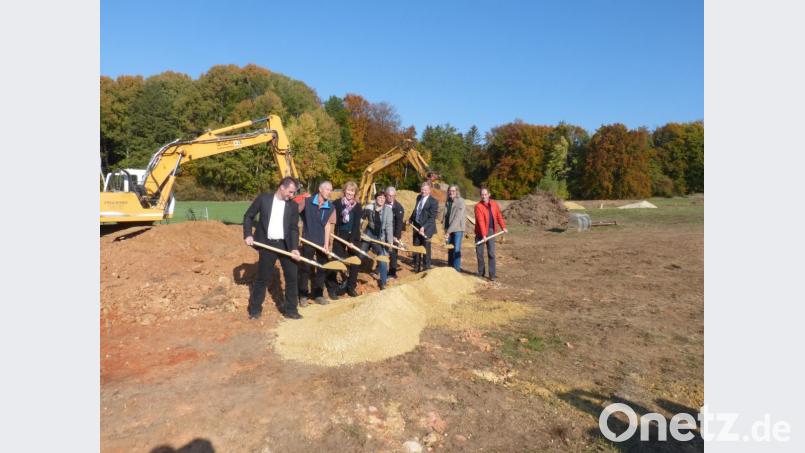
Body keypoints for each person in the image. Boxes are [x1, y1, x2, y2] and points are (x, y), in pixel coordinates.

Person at [242, 177, 302, 320]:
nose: (291, 195)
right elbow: (248, 216)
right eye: (290, 192)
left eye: (293, 193)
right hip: (267, 244)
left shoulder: (293, 206)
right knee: (263, 278)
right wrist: (248, 234)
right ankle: (255, 310)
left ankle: (291, 310)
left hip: (286, 245)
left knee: (292, 277)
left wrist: (294, 248)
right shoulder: (264, 199)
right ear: (282, 187)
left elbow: (294, 228)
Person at [297, 181, 337, 306]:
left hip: (321, 242)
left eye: (331, 190)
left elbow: (327, 226)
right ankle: (303, 295)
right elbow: (294, 211)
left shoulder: (330, 207)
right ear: (320, 189)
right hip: (308, 240)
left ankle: (318, 295)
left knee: (321, 268)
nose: (329, 192)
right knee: (305, 268)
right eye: (327, 189)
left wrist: (326, 244)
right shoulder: (308, 201)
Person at [329, 181, 362, 297]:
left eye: (352, 191)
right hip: (340, 235)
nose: (350, 193)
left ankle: (351, 287)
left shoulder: (358, 206)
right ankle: (333, 288)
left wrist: (352, 241)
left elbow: (357, 224)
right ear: (344, 190)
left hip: (354, 236)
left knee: (355, 262)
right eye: (348, 190)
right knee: (336, 260)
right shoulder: (337, 203)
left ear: (355, 193)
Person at [474, 187, 508, 281]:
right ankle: (481, 272)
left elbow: (499, 216)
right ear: (480, 195)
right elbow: (480, 221)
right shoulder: (478, 206)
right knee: (480, 253)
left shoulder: (494, 204)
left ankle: (492, 275)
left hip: (491, 231)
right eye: (482, 194)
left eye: (485, 194)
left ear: (489, 194)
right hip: (480, 232)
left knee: (491, 253)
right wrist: (484, 235)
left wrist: (503, 227)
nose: (484, 196)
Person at [361, 192, 393, 290]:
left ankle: (383, 282)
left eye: (383, 198)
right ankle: (350, 274)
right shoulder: (369, 207)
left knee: (382, 257)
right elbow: (361, 219)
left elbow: (389, 226)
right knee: (361, 253)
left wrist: (390, 241)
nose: (381, 199)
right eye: (379, 197)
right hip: (368, 234)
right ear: (376, 198)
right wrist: (359, 231)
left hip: (379, 237)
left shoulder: (388, 210)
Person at [408, 180, 439, 272]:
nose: (423, 191)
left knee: (425, 248)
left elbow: (432, 217)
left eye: (425, 190)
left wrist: (424, 227)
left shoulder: (433, 201)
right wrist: (411, 219)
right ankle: (416, 267)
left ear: (429, 191)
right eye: (422, 189)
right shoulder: (418, 197)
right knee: (417, 247)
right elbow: (416, 210)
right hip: (416, 226)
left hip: (427, 228)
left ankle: (426, 267)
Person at [442, 185, 466, 272]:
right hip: (448, 228)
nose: (451, 192)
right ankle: (450, 269)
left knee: (456, 249)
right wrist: (444, 228)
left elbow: (457, 218)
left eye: (453, 191)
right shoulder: (448, 201)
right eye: (450, 190)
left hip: (457, 229)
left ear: (457, 191)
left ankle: (456, 270)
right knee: (450, 248)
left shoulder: (461, 202)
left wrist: (448, 231)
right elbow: (445, 215)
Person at [384, 186, 405, 279]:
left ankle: (392, 272)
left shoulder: (399, 207)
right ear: (386, 195)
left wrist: (396, 236)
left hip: (394, 233)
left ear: (395, 196)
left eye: (392, 196)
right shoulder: (382, 203)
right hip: (383, 232)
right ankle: (380, 268)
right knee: (382, 250)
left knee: (393, 253)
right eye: (389, 195)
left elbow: (399, 224)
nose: (390, 197)